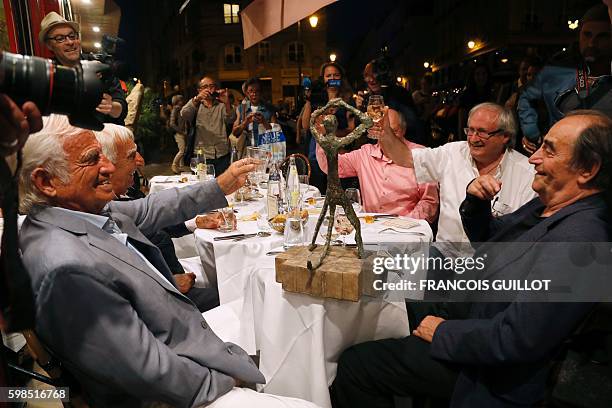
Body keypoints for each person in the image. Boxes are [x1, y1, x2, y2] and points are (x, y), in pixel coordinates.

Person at [18, 115, 318, 408]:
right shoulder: (66, 266)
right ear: (46, 181)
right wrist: (222, 381)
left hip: (183, 340)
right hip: (179, 390)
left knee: (268, 311)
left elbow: (154, 208)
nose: (108, 166)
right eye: (91, 158)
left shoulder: (76, 216)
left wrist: (221, 185)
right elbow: (143, 369)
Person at [331, 110, 612, 407]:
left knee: (355, 366)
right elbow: (491, 241)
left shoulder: (583, 239)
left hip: (489, 367)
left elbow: (519, 340)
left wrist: (442, 332)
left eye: (550, 150)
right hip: (466, 307)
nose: (533, 158)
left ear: (588, 169)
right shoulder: (548, 206)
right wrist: (476, 204)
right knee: (377, 299)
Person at [372, 102, 536, 254]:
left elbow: (523, 234)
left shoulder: (526, 174)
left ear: (505, 136)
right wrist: (385, 132)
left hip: (492, 262)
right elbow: (406, 158)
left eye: (482, 132)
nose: (473, 139)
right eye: (470, 130)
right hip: (445, 255)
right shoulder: (452, 153)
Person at [518, 3, 612, 153]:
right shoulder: (559, 66)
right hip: (563, 154)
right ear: (579, 34)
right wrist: (531, 132)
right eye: (587, 35)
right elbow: (526, 97)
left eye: (602, 37)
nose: (592, 43)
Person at [315, 109, 439, 221]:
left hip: (407, 231)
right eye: (383, 131)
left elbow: (429, 202)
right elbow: (330, 166)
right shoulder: (365, 154)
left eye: (393, 131)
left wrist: (405, 223)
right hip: (370, 229)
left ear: (404, 130)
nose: (388, 136)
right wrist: (322, 136)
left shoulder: (420, 156)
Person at [39, 12, 127, 125]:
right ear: (49, 45)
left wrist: (110, 107)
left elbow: (121, 108)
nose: (70, 42)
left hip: (105, 133)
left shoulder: (100, 65)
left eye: (72, 36)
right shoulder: (48, 73)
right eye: (60, 38)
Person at [356, 56, 426, 145]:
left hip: (402, 146)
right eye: (366, 75)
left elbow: (411, 125)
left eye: (374, 73)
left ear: (383, 74)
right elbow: (362, 130)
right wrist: (359, 110)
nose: (370, 79)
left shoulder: (399, 93)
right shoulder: (368, 97)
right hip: (378, 148)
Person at [181, 76, 236, 176]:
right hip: (202, 156)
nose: (209, 89)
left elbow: (231, 118)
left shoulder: (221, 105)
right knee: (202, 188)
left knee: (223, 187)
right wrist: (197, 98)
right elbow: (184, 114)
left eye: (211, 86)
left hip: (222, 154)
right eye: (205, 86)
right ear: (199, 90)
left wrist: (227, 102)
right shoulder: (196, 105)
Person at [232, 77, 278, 156]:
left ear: (261, 92)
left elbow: (276, 133)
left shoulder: (269, 108)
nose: (254, 94)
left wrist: (264, 122)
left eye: (257, 91)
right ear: (247, 93)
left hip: (265, 152)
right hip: (246, 153)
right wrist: (246, 122)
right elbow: (235, 133)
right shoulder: (241, 108)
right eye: (251, 91)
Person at [169, 94, 188, 173]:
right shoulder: (176, 109)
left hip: (182, 132)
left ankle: (181, 166)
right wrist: (181, 131)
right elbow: (172, 123)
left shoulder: (180, 109)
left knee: (182, 150)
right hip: (179, 133)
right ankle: (174, 165)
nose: (182, 101)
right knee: (182, 150)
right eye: (180, 100)